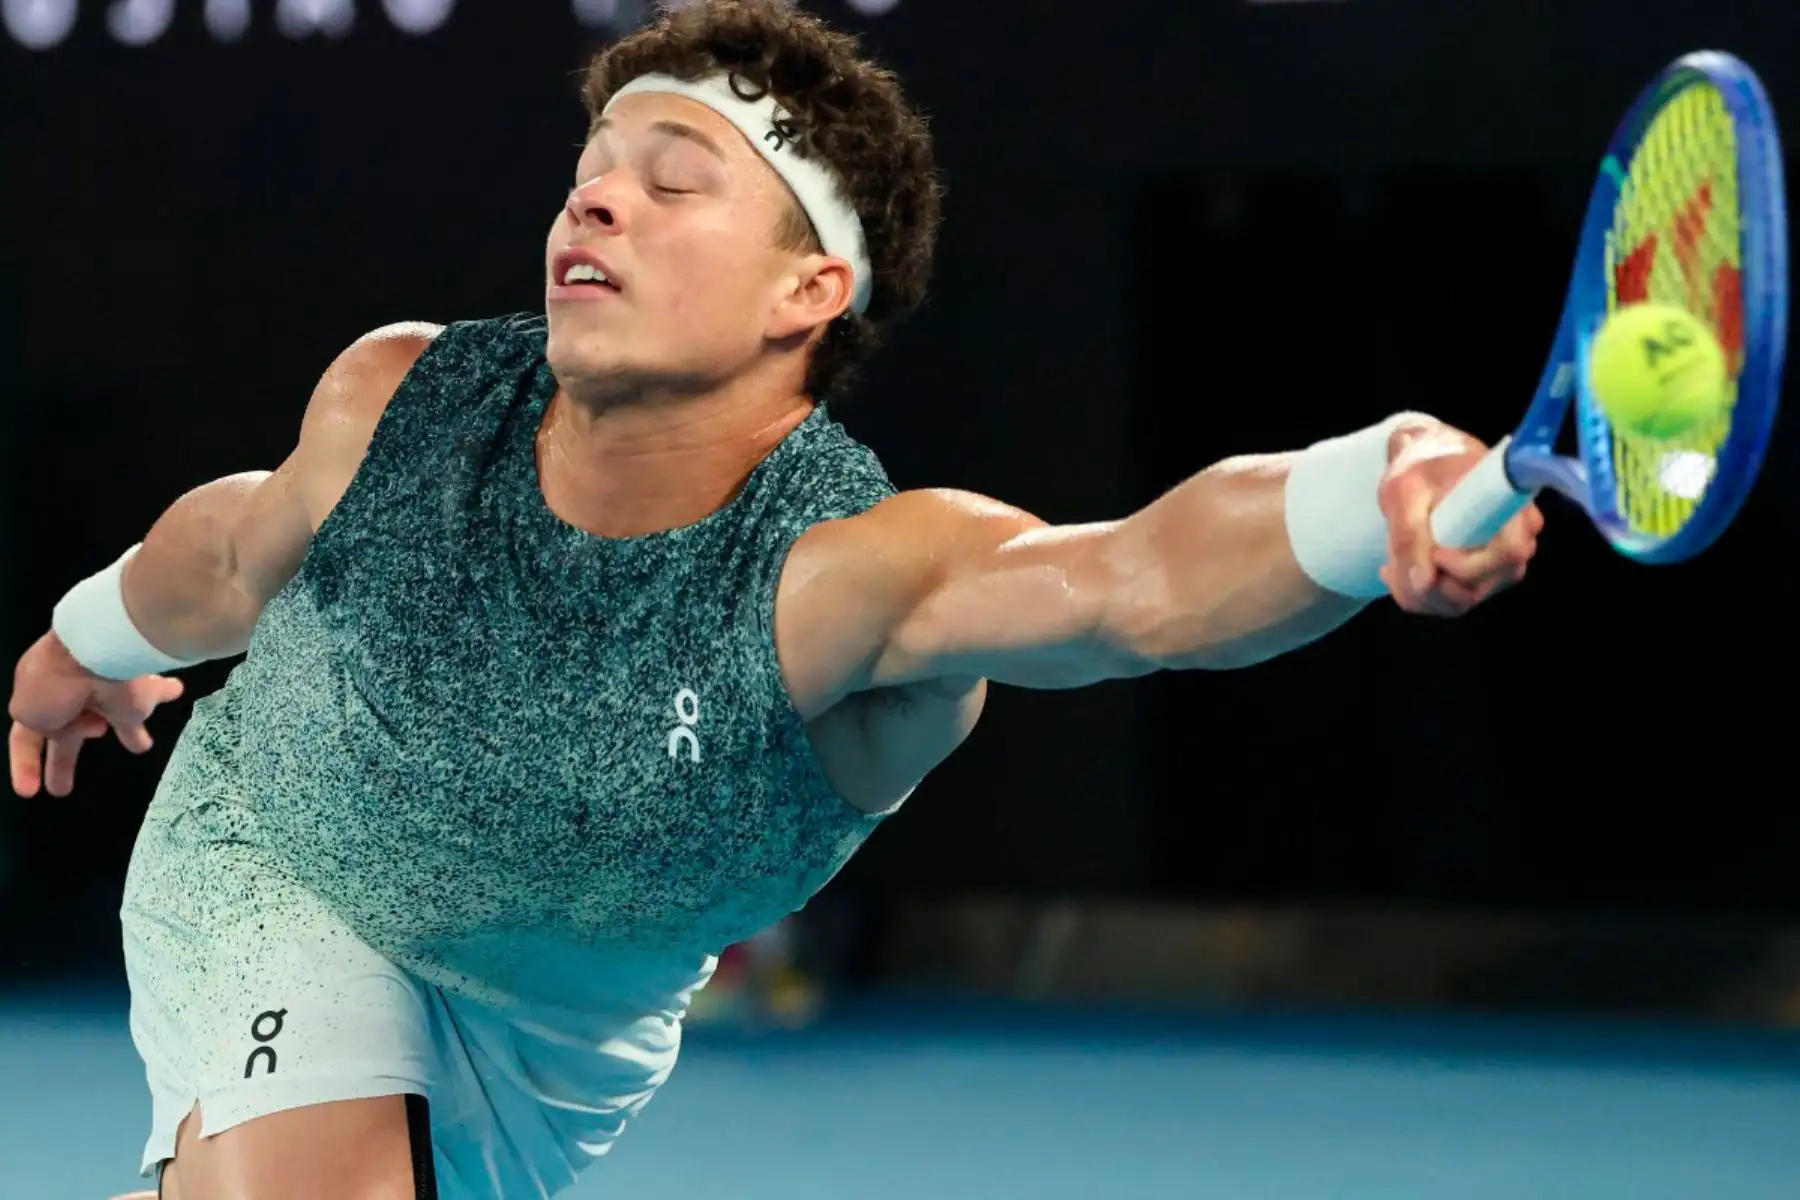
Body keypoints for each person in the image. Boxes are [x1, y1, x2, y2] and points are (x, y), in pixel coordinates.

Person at [9, 2, 1541, 1197]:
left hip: (551, 1049)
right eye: (590, 178)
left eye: (671, 186)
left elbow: (1140, 579)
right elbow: (234, 555)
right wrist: (90, 638)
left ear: (811, 291)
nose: (594, 210)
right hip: (283, 865)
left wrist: (1376, 482)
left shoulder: (844, 582)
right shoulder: (403, 396)